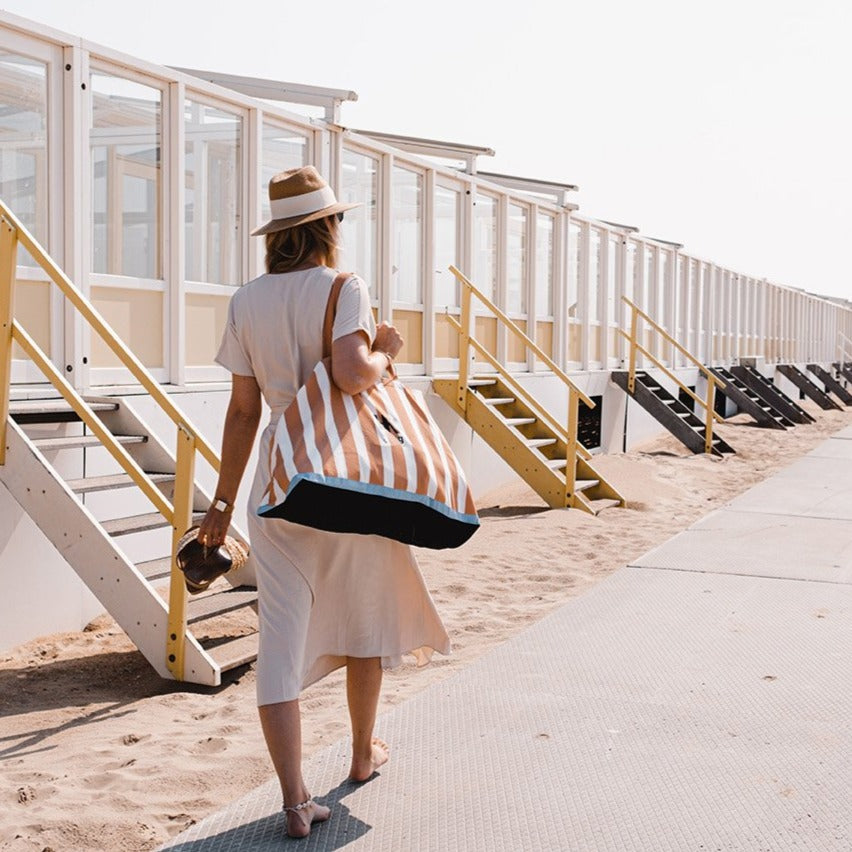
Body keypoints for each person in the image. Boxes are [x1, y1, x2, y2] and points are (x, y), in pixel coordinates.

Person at [196, 165, 450, 839]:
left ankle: (293, 800)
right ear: (328, 227)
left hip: (277, 484)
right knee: (365, 620)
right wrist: (386, 351)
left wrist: (221, 504)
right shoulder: (344, 287)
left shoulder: (246, 300)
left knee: (279, 641)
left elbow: (244, 411)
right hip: (345, 476)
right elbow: (350, 372)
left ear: (277, 233)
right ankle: (363, 753)